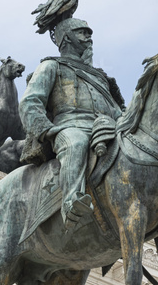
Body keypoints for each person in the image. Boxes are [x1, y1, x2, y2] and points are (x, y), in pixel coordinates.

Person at [20, 15, 123, 229]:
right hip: (69, 127)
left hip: (106, 129)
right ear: (66, 37)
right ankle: (72, 203)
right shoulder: (50, 66)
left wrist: (125, 123)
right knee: (76, 143)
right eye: (82, 32)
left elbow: (117, 109)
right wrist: (47, 131)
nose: (88, 37)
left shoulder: (101, 77)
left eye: (89, 33)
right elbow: (30, 101)